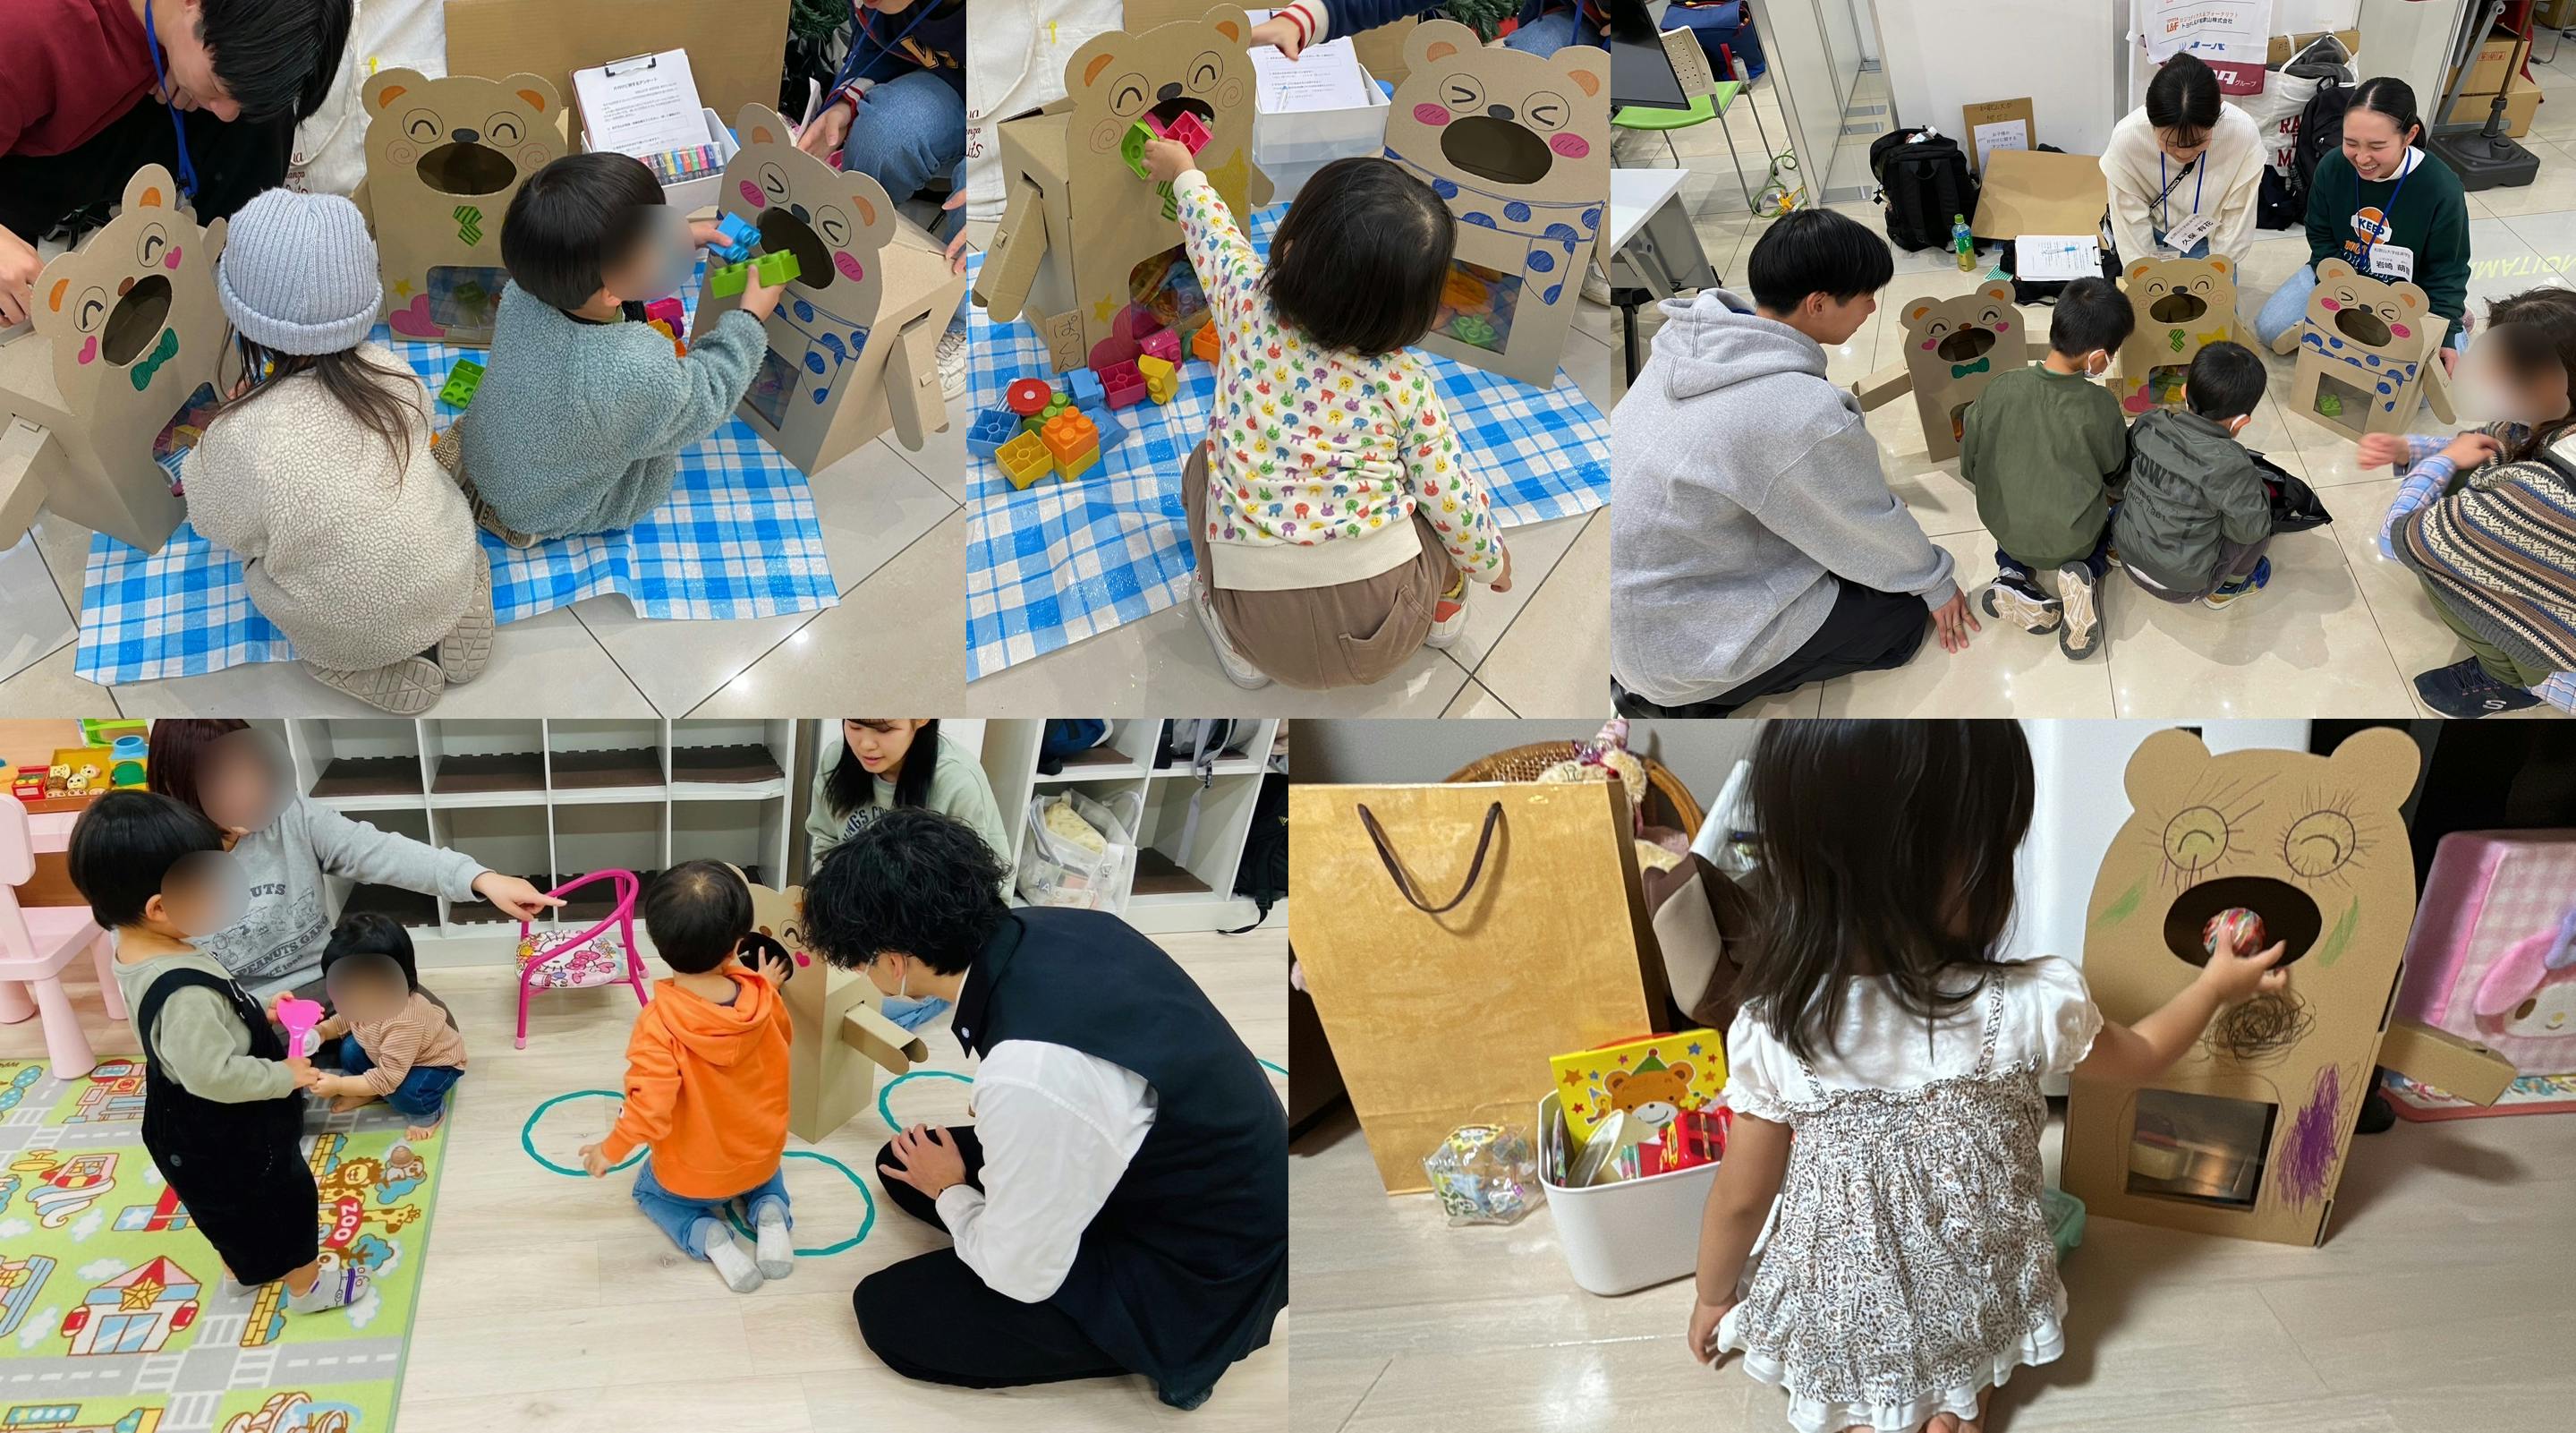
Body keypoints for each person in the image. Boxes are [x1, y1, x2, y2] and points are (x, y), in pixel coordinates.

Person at [1684, 721, 2291, 1433]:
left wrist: (1711, 1294)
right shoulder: (2029, 1004)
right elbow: (2146, 1053)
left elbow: (1740, 1199)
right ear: (1968, 865)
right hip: (1972, 1293)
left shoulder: (1772, 1028)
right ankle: (1957, 1406)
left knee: (1842, 1334)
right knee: (1967, 1328)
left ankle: (1866, 1417)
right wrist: (2215, 985)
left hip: (1842, 1314)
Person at [806, 808, 1286, 1409]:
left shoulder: (1031, 1074)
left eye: (860, 958)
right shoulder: (1055, 926)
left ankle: (1165, 1341)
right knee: (902, 1163)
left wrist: (952, 1192)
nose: (858, 970)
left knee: (890, 1312)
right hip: (1184, 1170)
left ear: (896, 962)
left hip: (1199, 1267)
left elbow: (1020, 1273)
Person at [1139, 139, 1512, 691]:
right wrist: (1492, 563)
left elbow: (1213, 237)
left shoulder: (1246, 302)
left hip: (1258, 627)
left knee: (1204, 466)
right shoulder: (1405, 385)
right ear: (1417, 312)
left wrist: (1185, 174)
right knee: (1431, 506)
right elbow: (1452, 498)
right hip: (1389, 623)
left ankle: (1233, 644)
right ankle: (1444, 608)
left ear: (1288, 249)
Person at [1610, 208, 1977, 717]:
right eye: (1865, 296)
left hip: (1634, 606)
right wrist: (1935, 582)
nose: (1872, 307)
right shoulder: (1800, 412)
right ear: (1818, 304)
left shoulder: (1685, 345)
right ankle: (1693, 704)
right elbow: (1865, 523)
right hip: (1683, 649)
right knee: (1903, 617)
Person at [183, 188, 490, 714]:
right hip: (445, 571)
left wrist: (227, 424)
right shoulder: (395, 375)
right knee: (432, 493)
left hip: (339, 627)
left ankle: (347, 661)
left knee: (260, 561)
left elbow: (213, 519)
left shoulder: (239, 437)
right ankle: (458, 604)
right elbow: (421, 432)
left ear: (241, 317)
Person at [69, 789, 368, 1314]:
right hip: (228, 1125)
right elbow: (215, 1075)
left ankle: (242, 1272)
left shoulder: (142, 949)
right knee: (283, 1201)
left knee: (228, 1210)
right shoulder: (182, 990)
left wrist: (258, 1011)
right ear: (159, 907)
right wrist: (286, 1075)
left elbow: (199, 1025)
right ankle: (308, 1289)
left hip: (183, 1120)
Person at [454, 152, 786, 544]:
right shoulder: (632, 370)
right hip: (543, 508)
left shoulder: (523, 292)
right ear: (611, 290)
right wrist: (749, 319)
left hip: (487, 457)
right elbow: (707, 395)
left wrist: (680, 239)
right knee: (654, 463)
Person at [146, 719, 559, 999]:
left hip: (329, 979)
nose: (247, 791)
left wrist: (480, 878)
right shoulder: (156, 856)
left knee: (428, 1037)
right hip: (241, 1007)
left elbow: (377, 850)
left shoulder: (291, 814)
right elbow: (147, 961)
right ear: (179, 784)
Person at [0, 0, 350, 328]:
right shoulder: (28, 34)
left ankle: (227, 310)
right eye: (218, 86)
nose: (226, 112)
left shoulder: (191, 28)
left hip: (105, 121)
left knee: (258, 118)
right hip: (21, 171)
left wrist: (186, 64)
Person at [578, 862, 799, 1293]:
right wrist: (767, 988)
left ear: (659, 942)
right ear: (738, 943)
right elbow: (783, 1039)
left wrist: (609, 1149)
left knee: (647, 1191)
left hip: (694, 1177)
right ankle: (771, 1210)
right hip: (761, 1156)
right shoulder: (762, 998)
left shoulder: (658, 1024)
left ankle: (706, 1234)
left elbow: (648, 1108)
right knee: (766, 1176)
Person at [2371, 286, 2576, 717]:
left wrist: (2441, 461)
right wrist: (2423, 450)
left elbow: (2398, 537)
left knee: (2438, 569)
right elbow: (2502, 438)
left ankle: (2513, 681)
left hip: (2566, 664)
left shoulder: (2537, 494)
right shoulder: (2557, 420)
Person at [794, 0, 972, 398]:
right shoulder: (877, 4)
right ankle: (856, 269)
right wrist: (845, 103)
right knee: (881, 139)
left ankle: (961, 324)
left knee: (977, 196)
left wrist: (997, 173)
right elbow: (876, 47)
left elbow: (1051, 87)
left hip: (1025, 102)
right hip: (949, 87)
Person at [1958, 276, 2133, 661]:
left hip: (2007, 527)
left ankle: (2011, 575)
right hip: (2074, 539)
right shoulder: (2100, 405)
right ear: (2098, 357)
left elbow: (1968, 466)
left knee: (2016, 530)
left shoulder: (1998, 388)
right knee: (2111, 518)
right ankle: (2085, 573)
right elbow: (2114, 472)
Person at [2255, 77, 2470, 356]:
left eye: (2377, 146)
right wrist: (2338, 284)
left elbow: (2449, 268)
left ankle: (2460, 316)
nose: (2362, 158)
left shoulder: (2441, 187)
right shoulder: (2333, 167)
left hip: (2411, 292)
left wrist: (2447, 328)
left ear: (2409, 135)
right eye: (2351, 142)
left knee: (2434, 371)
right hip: (2341, 275)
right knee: (2271, 329)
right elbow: (2319, 232)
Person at [2114, 340, 2275, 609]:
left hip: (2126, 552)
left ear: (2184, 390)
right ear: (2241, 421)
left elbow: (2128, 466)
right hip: (2180, 587)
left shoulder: (2149, 422)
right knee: (2258, 524)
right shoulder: (2233, 465)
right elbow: (2250, 530)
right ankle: (2230, 587)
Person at [2100, 52, 2265, 267]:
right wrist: (2145, 272)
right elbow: (2129, 216)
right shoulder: (2128, 138)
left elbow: (2238, 213)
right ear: (2150, 116)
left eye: (2198, 141)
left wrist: (2218, 267)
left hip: (2209, 237)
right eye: (2171, 143)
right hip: (2151, 233)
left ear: (2218, 111)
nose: (2184, 154)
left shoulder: (2242, 133)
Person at [306, 921, 466, 1140]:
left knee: (406, 1093)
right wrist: (323, 1030)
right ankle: (369, 1091)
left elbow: (388, 1078)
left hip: (433, 1064)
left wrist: (340, 1085)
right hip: (388, 1055)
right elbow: (345, 1020)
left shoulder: (405, 1021)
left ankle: (430, 1114)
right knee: (350, 1049)